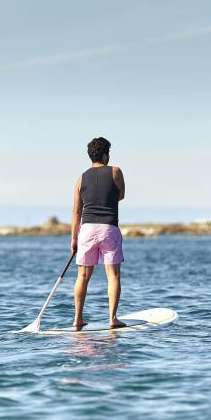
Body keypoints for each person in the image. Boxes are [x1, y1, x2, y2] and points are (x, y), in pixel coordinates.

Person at [70, 137, 126, 330]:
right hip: (109, 228)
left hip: (86, 230)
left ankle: (77, 319)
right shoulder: (116, 171)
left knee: (83, 276)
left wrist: (73, 238)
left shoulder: (80, 178)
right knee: (113, 275)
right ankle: (113, 318)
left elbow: (76, 211)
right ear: (105, 155)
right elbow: (121, 195)